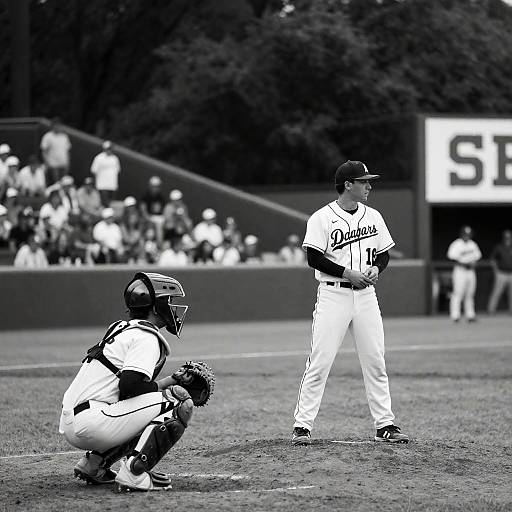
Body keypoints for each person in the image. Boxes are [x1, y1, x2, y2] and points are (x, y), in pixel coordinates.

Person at [58, 272, 213, 492]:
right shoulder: (146, 337)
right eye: (168, 301)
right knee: (179, 402)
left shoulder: (122, 328)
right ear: (155, 305)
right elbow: (130, 388)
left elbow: (129, 391)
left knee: (149, 407)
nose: (172, 307)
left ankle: (94, 465)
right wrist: (172, 386)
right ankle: (134, 472)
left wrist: (171, 380)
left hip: (75, 419)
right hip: (93, 422)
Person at [292, 160, 409, 446]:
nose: (369, 186)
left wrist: (376, 269)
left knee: (375, 361)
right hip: (333, 294)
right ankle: (302, 426)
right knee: (320, 362)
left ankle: (385, 424)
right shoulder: (322, 217)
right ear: (348, 185)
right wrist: (347, 273)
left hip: (366, 296)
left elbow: (383, 254)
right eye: (363, 181)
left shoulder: (373, 216)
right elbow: (314, 258)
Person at [447, 226, 482, 322]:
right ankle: (455, 315)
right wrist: (464, 263)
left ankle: (470, 315)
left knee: (470, 294)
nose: (466, 236)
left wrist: (474, 263)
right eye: (465, 234)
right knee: (458, 293)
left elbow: (478, 256)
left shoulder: (472, 244)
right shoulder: (457, 244)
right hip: (460, 271)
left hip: (470, 271)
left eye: (468, 234)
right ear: (461, 234)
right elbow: (452, 257)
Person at [40, 117, 72, 185]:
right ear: (52, 126)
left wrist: (68, 163)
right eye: (56, 125)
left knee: (64, 183)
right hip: (53, 165)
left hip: (63, 164)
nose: (57, 127)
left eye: (59, 125)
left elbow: (67, 151)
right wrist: (47, 163)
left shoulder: (64, 137)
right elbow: (44, 151)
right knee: (56, 184)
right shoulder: (48, 136)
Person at [487, 230, 512, 314]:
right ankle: (491, 310)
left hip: (511, 273)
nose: (508, 238)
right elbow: (492, 260)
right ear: (504, 237)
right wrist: (496, 271)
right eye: (506, 237)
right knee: (497, 292)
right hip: (501, 273)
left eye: (509, 237)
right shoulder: (499, 247)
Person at [90, 140, 121, 207]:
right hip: (102, 186)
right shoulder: (99, 158)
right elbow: (94, 171)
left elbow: (117, 171)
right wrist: (95, 184)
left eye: (110, 148)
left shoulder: (115, 158)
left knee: (111, 204)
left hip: (112, 186)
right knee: (104, 204)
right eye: (108, 148)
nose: (109, 150)